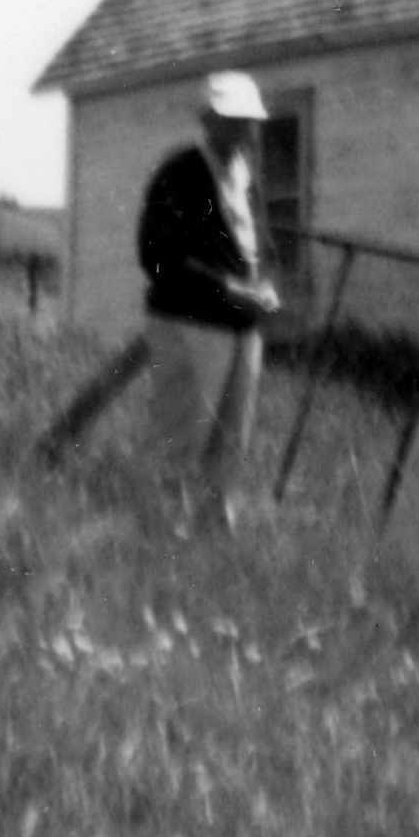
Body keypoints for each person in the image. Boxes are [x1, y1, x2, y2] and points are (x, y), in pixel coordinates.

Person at [135, 72, 282, 523]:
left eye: (248, 121)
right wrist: (228, 289)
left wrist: (266, 285)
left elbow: (260, 244)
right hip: (191, 322)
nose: (243, 131)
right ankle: (165, 532)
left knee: (232, 436)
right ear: (207, 120)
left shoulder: (244, 176)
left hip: (241, 325)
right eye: (233, 120)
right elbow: (158, 255)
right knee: (183, 431)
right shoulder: (178, 174)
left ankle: (217, 525)